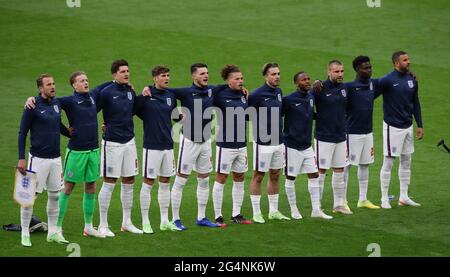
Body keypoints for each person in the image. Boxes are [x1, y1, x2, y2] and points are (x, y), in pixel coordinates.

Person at [17, 73, 71, 246]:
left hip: (55, 159)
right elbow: (22, 132)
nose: (53, 87)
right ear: (41, 88)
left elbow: (57, 124)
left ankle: (53, 232)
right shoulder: (32, 106)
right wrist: (21, 158)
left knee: (55, 195)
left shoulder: (57, 103)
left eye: (54, 83)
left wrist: (68, 132)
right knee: (30, 196)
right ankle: (25, 232)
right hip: (37, 159)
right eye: (49, 84)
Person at [96, 59, 142, 236]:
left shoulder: (130, 91)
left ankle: (127, 222)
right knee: (109, 182)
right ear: (114, 74)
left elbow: (132, 111)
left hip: (129, 141)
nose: (127, 74)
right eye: (123, 71)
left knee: (129, 180)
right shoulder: (106, 92)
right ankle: (103, 225)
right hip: (112, 143)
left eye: (128, 71)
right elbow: (92, 111)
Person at [134, 65, 182, 233]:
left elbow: (173, 116)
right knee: (148, 183)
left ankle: (164, 220)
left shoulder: (171, 95)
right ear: (155, 78)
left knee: (165, 182)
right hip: (151, 146)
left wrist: (181, 117)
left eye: (168, 75)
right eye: (163, 76)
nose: (167, 78)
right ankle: (145, 222)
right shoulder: (147, 95)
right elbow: (132, 110)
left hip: (168, 145)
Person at [282, 71, 332, 220]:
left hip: (307, 146)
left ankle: (316, 210)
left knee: (314, 175)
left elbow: (310, 113)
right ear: (296, 83)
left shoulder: (310, 97)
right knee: (291, 177)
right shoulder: (289, 100)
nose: (307, 81)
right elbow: (277, 115)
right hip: (292, 146)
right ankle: (293, 209)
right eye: (304, 80)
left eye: (308, 79)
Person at [378, 51, 423, 209]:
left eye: (408, 59)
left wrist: (420, 124)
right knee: (389, 162)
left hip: (408, 126)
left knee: (406, 161)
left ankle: (403, 196)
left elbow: (415, 102)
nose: (408, 62)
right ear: (396, 63)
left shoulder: (412, 79)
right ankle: (384, 198)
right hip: (393, 127)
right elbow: (370, 93)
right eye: (405, 60)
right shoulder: (387, 80)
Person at [248, 63, 290, 223]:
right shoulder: (257, 94)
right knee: (258, 176)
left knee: (275, 175)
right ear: (266, 76)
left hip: (279, 141)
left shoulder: (279, 92)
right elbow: (247, 114)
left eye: (278, 73)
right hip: (263, 142)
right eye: (273, 74)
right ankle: (257, 212)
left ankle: (274, 211)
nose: (277, 77)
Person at [212, 64, 252, 226]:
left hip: (241, 144)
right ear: (228, 81)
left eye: (242, 78)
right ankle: (217, 215)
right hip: (225, 145)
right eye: (237, 79)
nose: (241, 81)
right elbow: (207, 89)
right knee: (221, 178)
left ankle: (237, 213)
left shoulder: (243, 96)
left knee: (240, 177)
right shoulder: (219, 95)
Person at [313, 60, 351, 215]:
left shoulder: (345, 88)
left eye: (342, 71)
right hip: (324, 137)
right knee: (321, 171)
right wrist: (319, 118)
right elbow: (307, 104)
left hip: (341, 136)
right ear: (329, 71)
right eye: (337, 72)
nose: (340, 74)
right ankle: (318, 207)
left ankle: (339, 205)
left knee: (339, 170)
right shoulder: (319, 88)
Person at [343, 56, 380, 209]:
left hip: (368, 132)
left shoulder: (373, 84)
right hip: (352, 133)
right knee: (346, 166)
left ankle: (363, 199)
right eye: (365, 68)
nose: (369, 70)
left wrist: (409, 75)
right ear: (357, 69)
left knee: (365, 164)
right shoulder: (349, 87)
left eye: (370, 67)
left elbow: (391, 79)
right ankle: (342, 200)